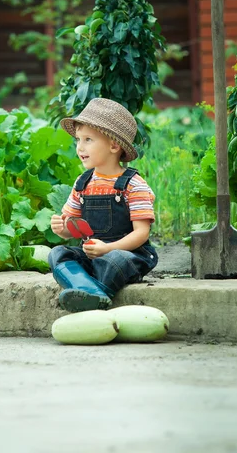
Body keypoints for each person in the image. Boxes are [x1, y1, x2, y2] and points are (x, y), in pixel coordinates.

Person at [49, 97, 158, 313]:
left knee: (115, 260)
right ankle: (91, 291)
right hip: (92, 255)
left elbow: (142, 233)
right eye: (78, 140)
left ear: (114, 145)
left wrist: (108, 249)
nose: (80, 147)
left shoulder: (133, 185)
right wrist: (62, 229)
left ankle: (90, 293)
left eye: (88, 139)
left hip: (127, 256)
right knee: (57, 254)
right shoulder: (83, 183)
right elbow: (71, 225)